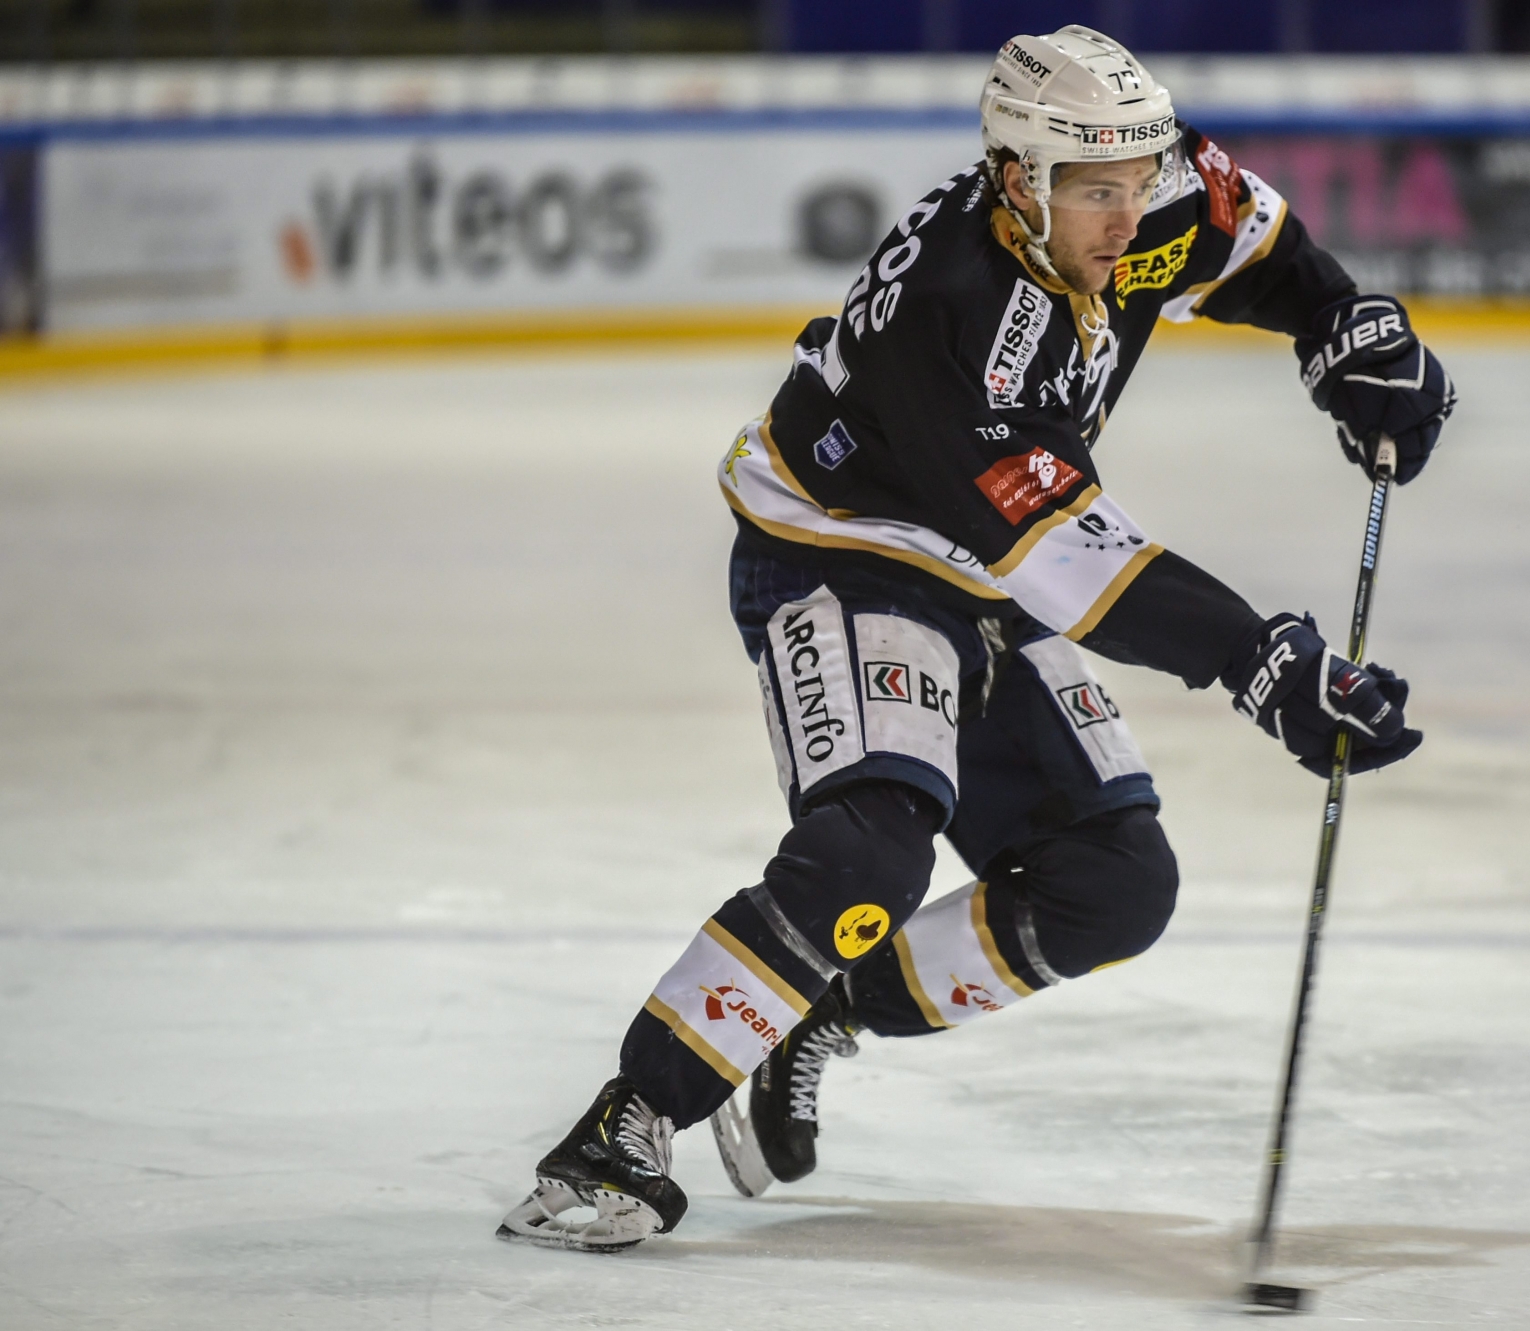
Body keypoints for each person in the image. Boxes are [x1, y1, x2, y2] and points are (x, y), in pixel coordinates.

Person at [497, 24, 1454, 1252]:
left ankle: (813, 1010)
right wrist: (1259, 659)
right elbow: (1068, 559)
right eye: (1092, 194)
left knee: (1112, 883)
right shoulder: (950, 314)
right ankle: (618, 1132)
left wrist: (1342, 329)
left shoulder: (1142, 179)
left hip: (984, 567)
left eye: (1135, 182)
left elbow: (1261, 248)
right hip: (844, 550)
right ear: (1016, 180)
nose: (1126, 216)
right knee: (868, 853)